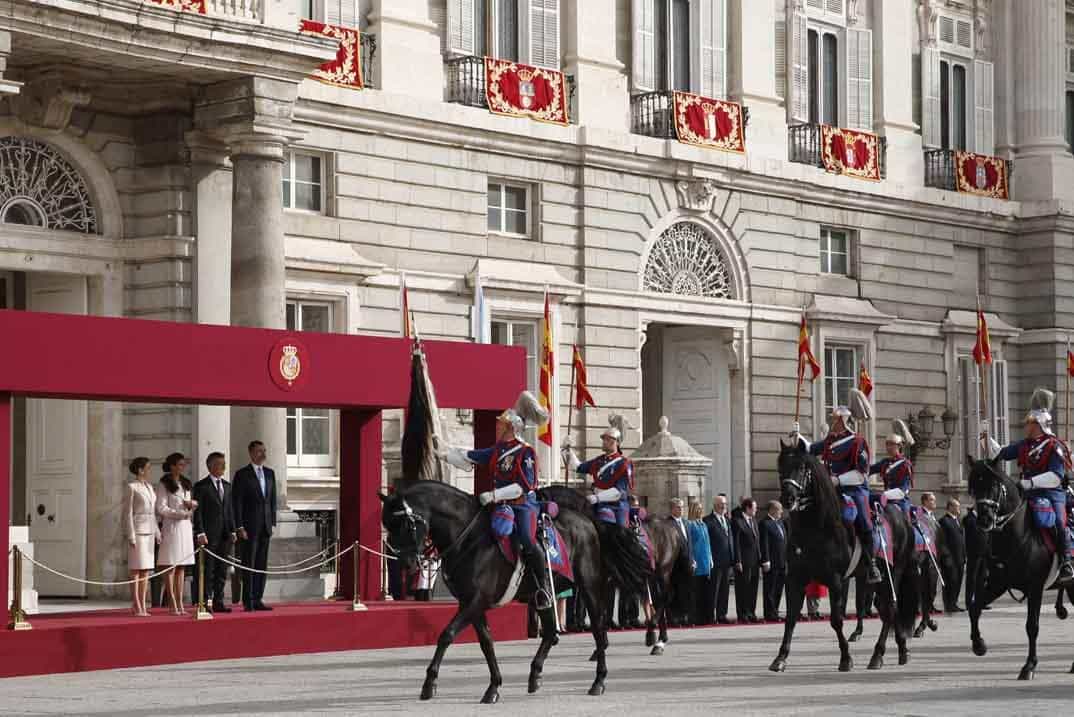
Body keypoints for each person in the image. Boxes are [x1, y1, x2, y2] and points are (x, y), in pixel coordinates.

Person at [444, 391, 553, 609]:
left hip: (523, 506)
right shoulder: (498, 450)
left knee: (527, 540)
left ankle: (543, 587)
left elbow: (525, 486)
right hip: (501, 505)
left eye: (501, 424)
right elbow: (470, 456)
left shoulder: (526, 453)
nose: (497, 426)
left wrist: (494, 495)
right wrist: (441, 451)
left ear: (511, 427)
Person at [982, 391, 1074, 585]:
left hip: (1051, 494)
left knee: (1059, 521)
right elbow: (1000, 453)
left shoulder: (1054, 446)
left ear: (1039, 424)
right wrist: (985, 437)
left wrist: (1030, 482)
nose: (1026, 425)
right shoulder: (1024, 445)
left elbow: (1056, 477)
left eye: (1029, 423)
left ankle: (1066, 562)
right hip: (1027, 494)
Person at [795, 404, 882, 584]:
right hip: (832, 490)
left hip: (854, 488)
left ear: (843, 421)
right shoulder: (830, 441)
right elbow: (810, 449)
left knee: (863, 519)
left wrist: (838, 480)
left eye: (834, 419)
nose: (831, 421)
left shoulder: (858, 442)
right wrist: (798, 436)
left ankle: (871, 562)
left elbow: (861, 473)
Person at [562, 415, 633, 527]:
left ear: (616, 442)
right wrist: (568, 450)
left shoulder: (624, 463)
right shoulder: (599, 460)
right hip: (597, 504)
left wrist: (597, 497)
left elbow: (619, 492)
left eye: (607, 439)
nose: (604, 441)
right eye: (604, 439)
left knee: (620, 535)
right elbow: (578, 467)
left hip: (616, 506)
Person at [232, 440, 278, 611]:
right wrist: (239, 526)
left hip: (265, 526)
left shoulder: (269, 473)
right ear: (251, 453)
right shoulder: (242, 474)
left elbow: (272, 500)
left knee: (261, 564)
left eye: (264, 451)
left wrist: (272, 522)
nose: (263, 454)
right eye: (259, 451)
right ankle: (248, 600)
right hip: (249, 527)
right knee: (249, 563)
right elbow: (237, 503)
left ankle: (258, 598)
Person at [192, 452, 236, 613]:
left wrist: (233, 529)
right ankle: (205, 602)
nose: (223, 466)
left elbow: (230, 510)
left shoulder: (227, 486)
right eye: (219, 463)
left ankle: (218, 601)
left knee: (221, 570)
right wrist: (200, 532)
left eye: (224, 463)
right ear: (210, 466)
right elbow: (198, 512)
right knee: (208, 570)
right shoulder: (201, 486)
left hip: (225, 535)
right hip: (209, 535)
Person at [156, 452, 196, 615]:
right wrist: (179, 513)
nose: (182, 467)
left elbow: (190, 503)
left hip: (185, 527)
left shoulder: (186, 483)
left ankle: (180, 602)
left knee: (181, 567)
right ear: (172, 466)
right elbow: (161, 507)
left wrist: (191, 505)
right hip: (172, 527)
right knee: (171, 565)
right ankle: (171, 601)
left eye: (183, 464)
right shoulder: (164, 483)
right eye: (179, 464)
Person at [124, 457, 160, 617]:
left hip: (150, 531)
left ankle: (143, 604)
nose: (149, 471)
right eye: (147, 468)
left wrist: (158, 532)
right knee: (136, 570)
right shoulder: (132, 487)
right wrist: (130, 534)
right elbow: (127, 513)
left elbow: (153, 513)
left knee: (146, 570)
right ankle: (136, 603)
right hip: (137, 532)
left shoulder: (150, 487)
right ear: (140, 469)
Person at [869, 421, 915, 519]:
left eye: (892, 445)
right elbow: (869, 470)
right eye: (887, 444)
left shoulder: (905, 464)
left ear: (899, 446)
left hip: (899, 499)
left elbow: (903, 489)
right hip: (886, 497)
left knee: (906, 522)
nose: (888, 447)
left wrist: (885, 494)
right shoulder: (885, 462)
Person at [703, 494, 736, 624]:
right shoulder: (708, 521)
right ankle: (711, 616)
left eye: (725, 504)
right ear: (715, 505)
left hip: (727, 561)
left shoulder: (727, 520)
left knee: (724, 590)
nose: (724, 506)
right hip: (715, 561)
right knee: (714, 590)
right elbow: (707, 542)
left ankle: (722, 615)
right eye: (722, 504)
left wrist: (734, 558)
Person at [733, 496, 761, 623]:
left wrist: (760, 558)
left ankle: (751, 612)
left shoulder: (754, 521)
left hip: (755, 560)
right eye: (754, 508)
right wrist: (737, 560)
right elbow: (736, 543)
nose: (756, 510)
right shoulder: (737, 521)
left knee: (753, 588)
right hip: (744, 561)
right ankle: (742, 613)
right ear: (748, 508)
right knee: (743, 588)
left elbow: (757, 541)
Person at [760, 500, 788, 622]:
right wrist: (766, 560)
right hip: (771, 562)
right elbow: (764, 543)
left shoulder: (780, 523)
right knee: (770, 589)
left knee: (778, 589)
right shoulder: (765, 523)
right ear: (772, 510)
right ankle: (769, 613)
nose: (781, 512)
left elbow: (784, 541)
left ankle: (775, 611)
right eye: (779, 509)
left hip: (782, 562)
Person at [686, 502, 713, 626]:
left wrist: (710, 558)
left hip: (705, 560)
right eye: (698, 509)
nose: (700, 511)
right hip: (696, 561)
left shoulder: (704, 524)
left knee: (705, 592)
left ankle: (705, 617)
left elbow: (707, 543)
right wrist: (691, 558)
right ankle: (694, 617)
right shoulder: (690, 524)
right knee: (695, 592)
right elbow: (689, 543)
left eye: (701, 509)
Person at [939, 498, 966, 612]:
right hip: (950, 558)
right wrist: (946, 557)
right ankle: (948, 604)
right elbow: (941, 541)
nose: (958, 509)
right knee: (950, 581)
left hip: (959, 557)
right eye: (956, 506)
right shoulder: (944, 521)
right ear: (950, 507)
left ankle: (953, 603)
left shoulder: (957, 520)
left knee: (958, 581)